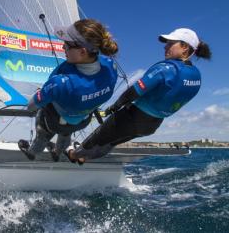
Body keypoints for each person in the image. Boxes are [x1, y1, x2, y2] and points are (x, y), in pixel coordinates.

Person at [66, 28, 212, 163]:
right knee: (110, 142)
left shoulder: (166, 69)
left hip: (131, 117)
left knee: (97, 138)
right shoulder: (196, 75)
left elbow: (135, 91)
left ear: (185, 47)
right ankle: (85, 159)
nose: (165, 47)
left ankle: (73, 154)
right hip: (151, 125)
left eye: (170, 44)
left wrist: (114, 107)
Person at [18, 19, 119, 161]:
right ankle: (57, 153)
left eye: (67, 44)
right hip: (82, 121)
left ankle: (33, 152)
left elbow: (30, 106)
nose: (63, 46)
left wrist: (43, 91)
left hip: (54, 122)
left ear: (83, 51)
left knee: (44, 132)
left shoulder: (60, 83)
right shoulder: (111, 68)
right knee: (67, 130)